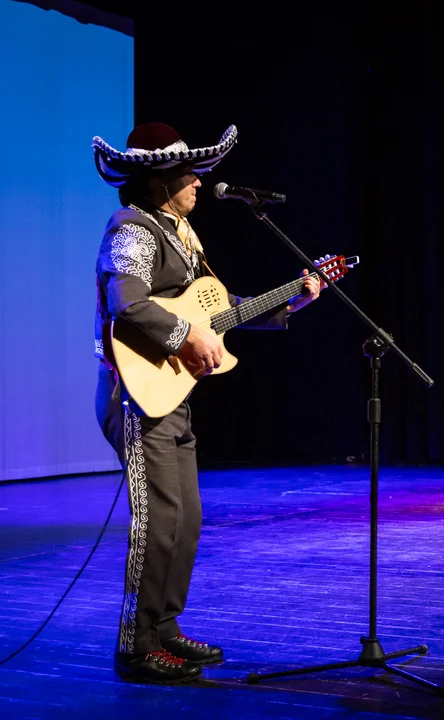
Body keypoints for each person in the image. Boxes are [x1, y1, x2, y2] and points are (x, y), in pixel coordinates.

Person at [91, 122, 325, 684]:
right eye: (188, 172)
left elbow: (216, 313)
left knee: (187, 518)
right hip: (135, 396)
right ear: (158, 180)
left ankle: (164, 629)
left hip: (173, 396)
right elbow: (127, 303)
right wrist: (186, 338)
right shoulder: (135, 228)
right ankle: (135, 643)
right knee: (158, 522)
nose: (199, 181)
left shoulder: (182, 236)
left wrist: (292, 298)